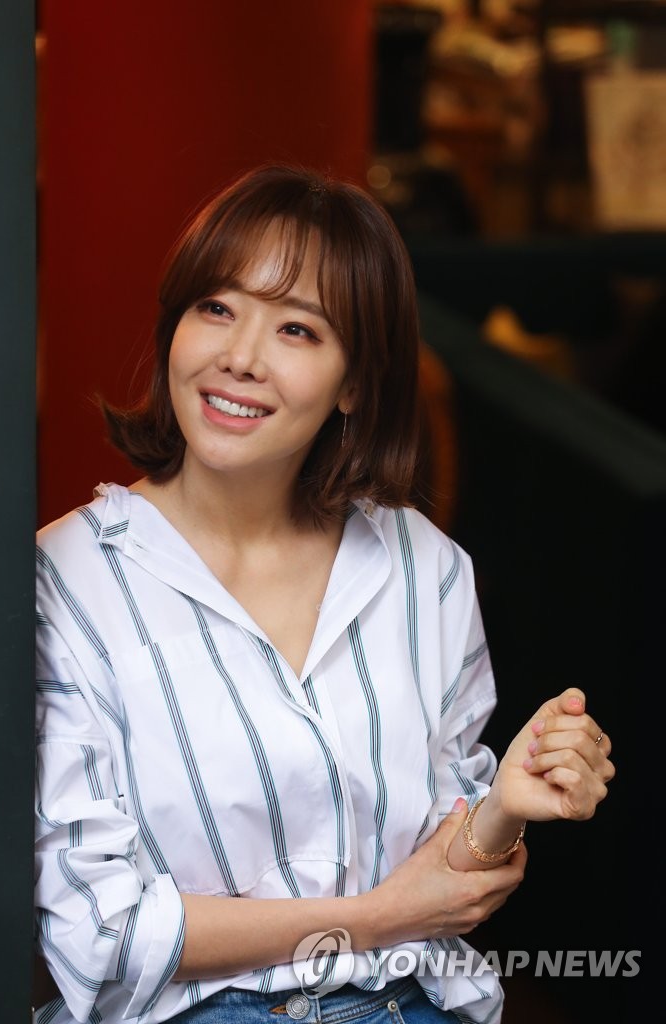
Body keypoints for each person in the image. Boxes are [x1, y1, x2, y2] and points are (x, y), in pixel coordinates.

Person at [34, 164, 614, 1024]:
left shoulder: (424, 568)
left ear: (354, 383)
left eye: (297, 329)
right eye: (216, 308)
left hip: (412, 1004)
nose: (240, 357)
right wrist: (378, 918)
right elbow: (102, 933)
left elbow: (443, 890)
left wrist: (506, 806)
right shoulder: (67, 581)